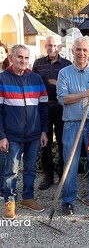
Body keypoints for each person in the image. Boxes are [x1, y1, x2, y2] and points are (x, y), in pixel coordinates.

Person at [56, 36, 89, 215]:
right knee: (70, 163)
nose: (82, 53)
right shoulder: (64, 73)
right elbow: (63, 99)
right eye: (78, 49)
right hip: (71, 125)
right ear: (73, 51)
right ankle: (68, 200)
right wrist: (85, 93)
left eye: (85, 50)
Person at [0, 44, 48, 220]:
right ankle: (9, 201)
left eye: (27, 58)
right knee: (11, 170)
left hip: (34, 134)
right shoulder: (3, 79)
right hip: (12, 135)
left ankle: (28, 198)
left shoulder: (36, 79)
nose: (23, 61)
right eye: (20, 57)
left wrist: (44, 131)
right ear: (11, 58)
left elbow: (43, 108)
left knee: (30, 169)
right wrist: (1, 136)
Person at [32, 36, 72, 190]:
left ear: (60, 47)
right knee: (45, 141)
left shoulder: (67, 64)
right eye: (49, 45)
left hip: (62, 106)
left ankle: (63, 173)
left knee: (63, 141)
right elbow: (34, 84)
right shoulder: (38, 64)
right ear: (45, 46)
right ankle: (48, 174)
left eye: (54, 45)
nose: (51, 48)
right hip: (44, 106)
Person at [0, 41, 10, 200]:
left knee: (3, 156)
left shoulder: (9, 73)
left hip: (6, 117)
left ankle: (3, 187)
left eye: (2, 52)